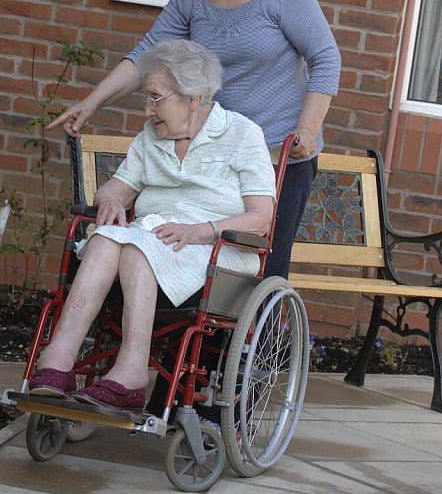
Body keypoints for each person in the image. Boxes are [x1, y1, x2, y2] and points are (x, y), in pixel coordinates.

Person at [50, 0, 340, 283]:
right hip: (215, 151)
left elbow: (325, 58)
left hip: (277, 156)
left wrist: (306, 131)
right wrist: (92, 102)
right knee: (201, 269)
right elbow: (150, 52)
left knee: (261, 271)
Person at [29, 40, 277, 410]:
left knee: (136, 246)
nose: (147, 110)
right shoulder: (151, 136)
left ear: (193, 97)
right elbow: (117, 188)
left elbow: (260, 218)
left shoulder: (242, 134)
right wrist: (110, 198)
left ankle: (131, 372)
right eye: (145, 99)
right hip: (153, 241)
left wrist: (197, 230)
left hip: (214, 252)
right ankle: (58, 361)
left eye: (155, 98)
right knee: (104, 239)